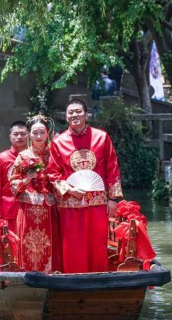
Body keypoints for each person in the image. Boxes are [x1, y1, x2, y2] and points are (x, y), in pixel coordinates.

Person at [48, 98, 123, 273]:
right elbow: (52, 173)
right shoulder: (58, 142)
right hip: (70, 203)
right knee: (73, 245)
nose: (75, 115)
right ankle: (73, 280)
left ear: (86, 114)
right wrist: (69, 189)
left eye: (78, 111)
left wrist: (113, 199)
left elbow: (112, 168)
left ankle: (98, 278)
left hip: (97, 203)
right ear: (66, 117)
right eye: (71, 112)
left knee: (96, 244)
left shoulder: (102, 137)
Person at [9, 114, 58, 273]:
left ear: (48, 134)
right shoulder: (23, 156)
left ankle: (52, 272)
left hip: (51, 207)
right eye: (35, 133)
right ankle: (28, 274)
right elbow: (13, 182)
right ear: (29, 134)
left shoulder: (54, 155)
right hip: (29, 207)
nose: (38, 136)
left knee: (51, 242)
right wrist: (26, 180)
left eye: (42, 132)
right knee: (29, 243)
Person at [0, 121, 28, 233]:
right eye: (16, 134)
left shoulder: (34, 157)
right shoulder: (0, 159)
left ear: (28, 135)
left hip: (31, 209)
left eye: (23, 134)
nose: (19, 137)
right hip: (9, 212)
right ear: (10, 137)